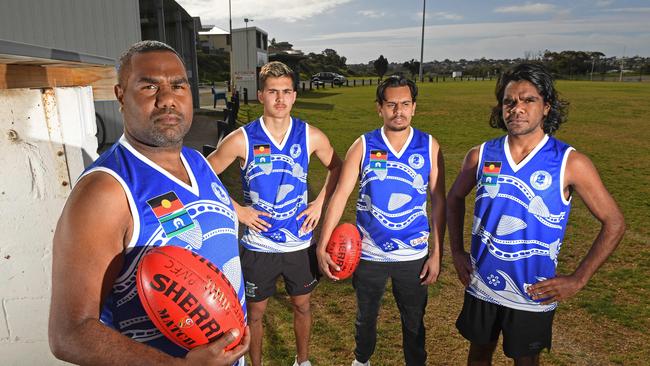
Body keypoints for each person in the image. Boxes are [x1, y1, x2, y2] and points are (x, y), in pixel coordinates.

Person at [49, 40, 250, 365]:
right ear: (120, 96)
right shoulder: (106, 191)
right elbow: (69, 332)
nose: (167, 99)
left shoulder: (198, 162)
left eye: (178, 85)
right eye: (149, 86)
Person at [447, 63, 625, 365]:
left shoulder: (571, 162)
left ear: (546, 107)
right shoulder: (480, 155)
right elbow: (453, 198)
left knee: (526, 360)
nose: (517, 108)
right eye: (509, 101)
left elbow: (615, 222)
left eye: (528, 100)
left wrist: (579, 279)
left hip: (533, 292)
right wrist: (456, 252)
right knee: (478, 355)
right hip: (482, 284)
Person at [207, 61, 341, 366]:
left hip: (299, 244)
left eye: (286, 92)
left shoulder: (310, 136)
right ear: (260, 96)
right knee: (254, 314)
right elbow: (203, 174)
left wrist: (320, 204)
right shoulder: (242, 138)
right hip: (259, 246)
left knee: (303, 306)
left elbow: (338, 167)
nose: (280, 99)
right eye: (272, 92)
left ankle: (302, 361)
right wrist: (238, 210)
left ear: (294, 95)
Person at [317, 75, 446, 366]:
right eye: (391, 104)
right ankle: (361, 361)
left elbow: (439, 202)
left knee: (414, 322)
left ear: (414, 107)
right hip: (369, 252)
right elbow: (340, 196)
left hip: (413, 253)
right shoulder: (363, 145)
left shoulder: (429, 146)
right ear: (380, 108)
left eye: (405, 104)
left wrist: (437, 254)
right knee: (365, 318)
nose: (398, 111)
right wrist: (322, 244)